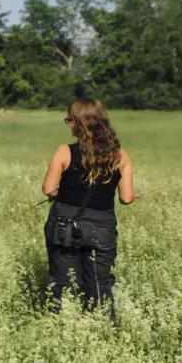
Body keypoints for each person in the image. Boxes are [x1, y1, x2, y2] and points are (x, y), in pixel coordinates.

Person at [41, 96, 137, 320]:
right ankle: (104, 329)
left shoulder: (64, 151)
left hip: (63, 224)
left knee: (64, 284)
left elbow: (48, 189)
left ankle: (62, 327)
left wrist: (60, 194)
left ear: (79, 123)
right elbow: (126, 197)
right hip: (101, 228)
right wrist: (134, 195)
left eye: (69, 120)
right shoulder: (120, 156)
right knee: (100, 283)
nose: (69, 125)